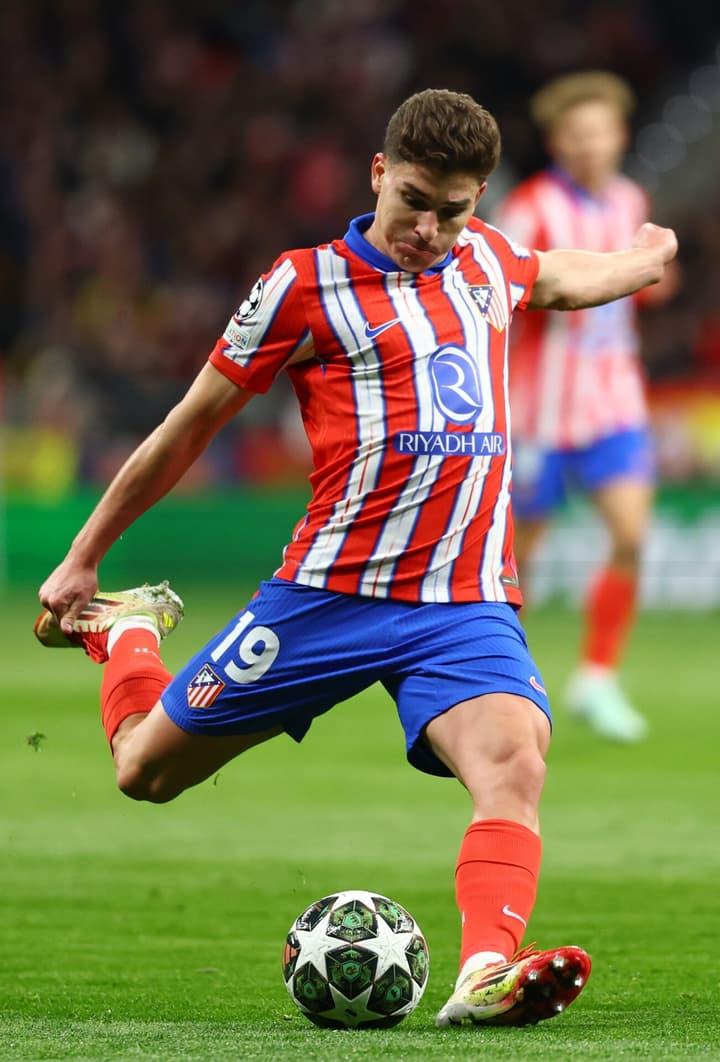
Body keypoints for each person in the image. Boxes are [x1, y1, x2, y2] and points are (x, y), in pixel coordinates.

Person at [36, 89, 677, 1027]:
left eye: (451, 209)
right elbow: (189, 427)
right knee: (145, 771)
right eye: (411, 199)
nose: (427, 227)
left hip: (461, 602)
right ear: (378, 173)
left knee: (514, 763)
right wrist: (84, 558)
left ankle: (483, 975)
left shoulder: (487, 258)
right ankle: (129, 634)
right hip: (325, 597)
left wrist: (643, 259)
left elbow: (557, 276)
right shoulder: (303, 285)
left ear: (479, 200)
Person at [495, 72, 680, 743]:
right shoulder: (528, 207)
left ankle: (597, 677)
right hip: (538, 411)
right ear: (557, 142)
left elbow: (644, 279)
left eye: (600, 132)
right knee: (518, 565)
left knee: (630, 536)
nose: (590, 144)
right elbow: (499, 295)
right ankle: (498, 684)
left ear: (619, 136)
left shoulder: (631, 200)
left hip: (614, 404)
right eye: (578, 134)